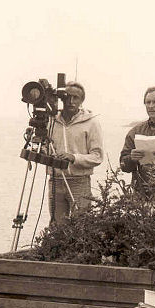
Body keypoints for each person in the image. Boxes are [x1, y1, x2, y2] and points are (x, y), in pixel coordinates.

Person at [48, 81, 104, 224]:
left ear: (82, 100)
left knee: (82, 225)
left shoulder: (91, 122)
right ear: (62, 98)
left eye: (75, 98)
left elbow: (97, 157)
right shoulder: (52, 120)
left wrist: (73, 158)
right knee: (57, 227)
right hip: (56, 180)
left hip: (79, 182)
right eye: (67, 97)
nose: (71, 101)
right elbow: (46, 149)